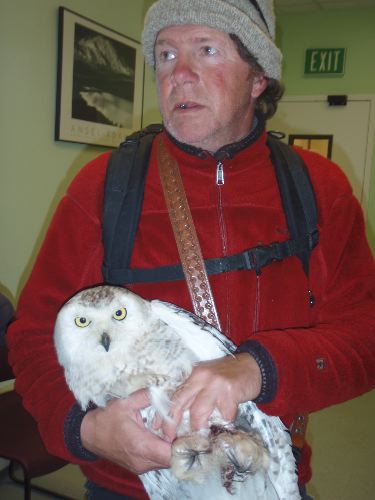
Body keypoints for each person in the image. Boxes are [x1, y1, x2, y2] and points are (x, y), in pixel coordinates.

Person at [7, 1, 375, 499]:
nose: (179, 74)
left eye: (206, 50)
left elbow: (364, 338)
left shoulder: (319, 188)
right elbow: (32, 338)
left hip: (264, 476)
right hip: (130, 487)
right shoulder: (101, 188)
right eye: (164, 55)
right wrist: (85, 431)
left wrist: (258, 369)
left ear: (259, 77)